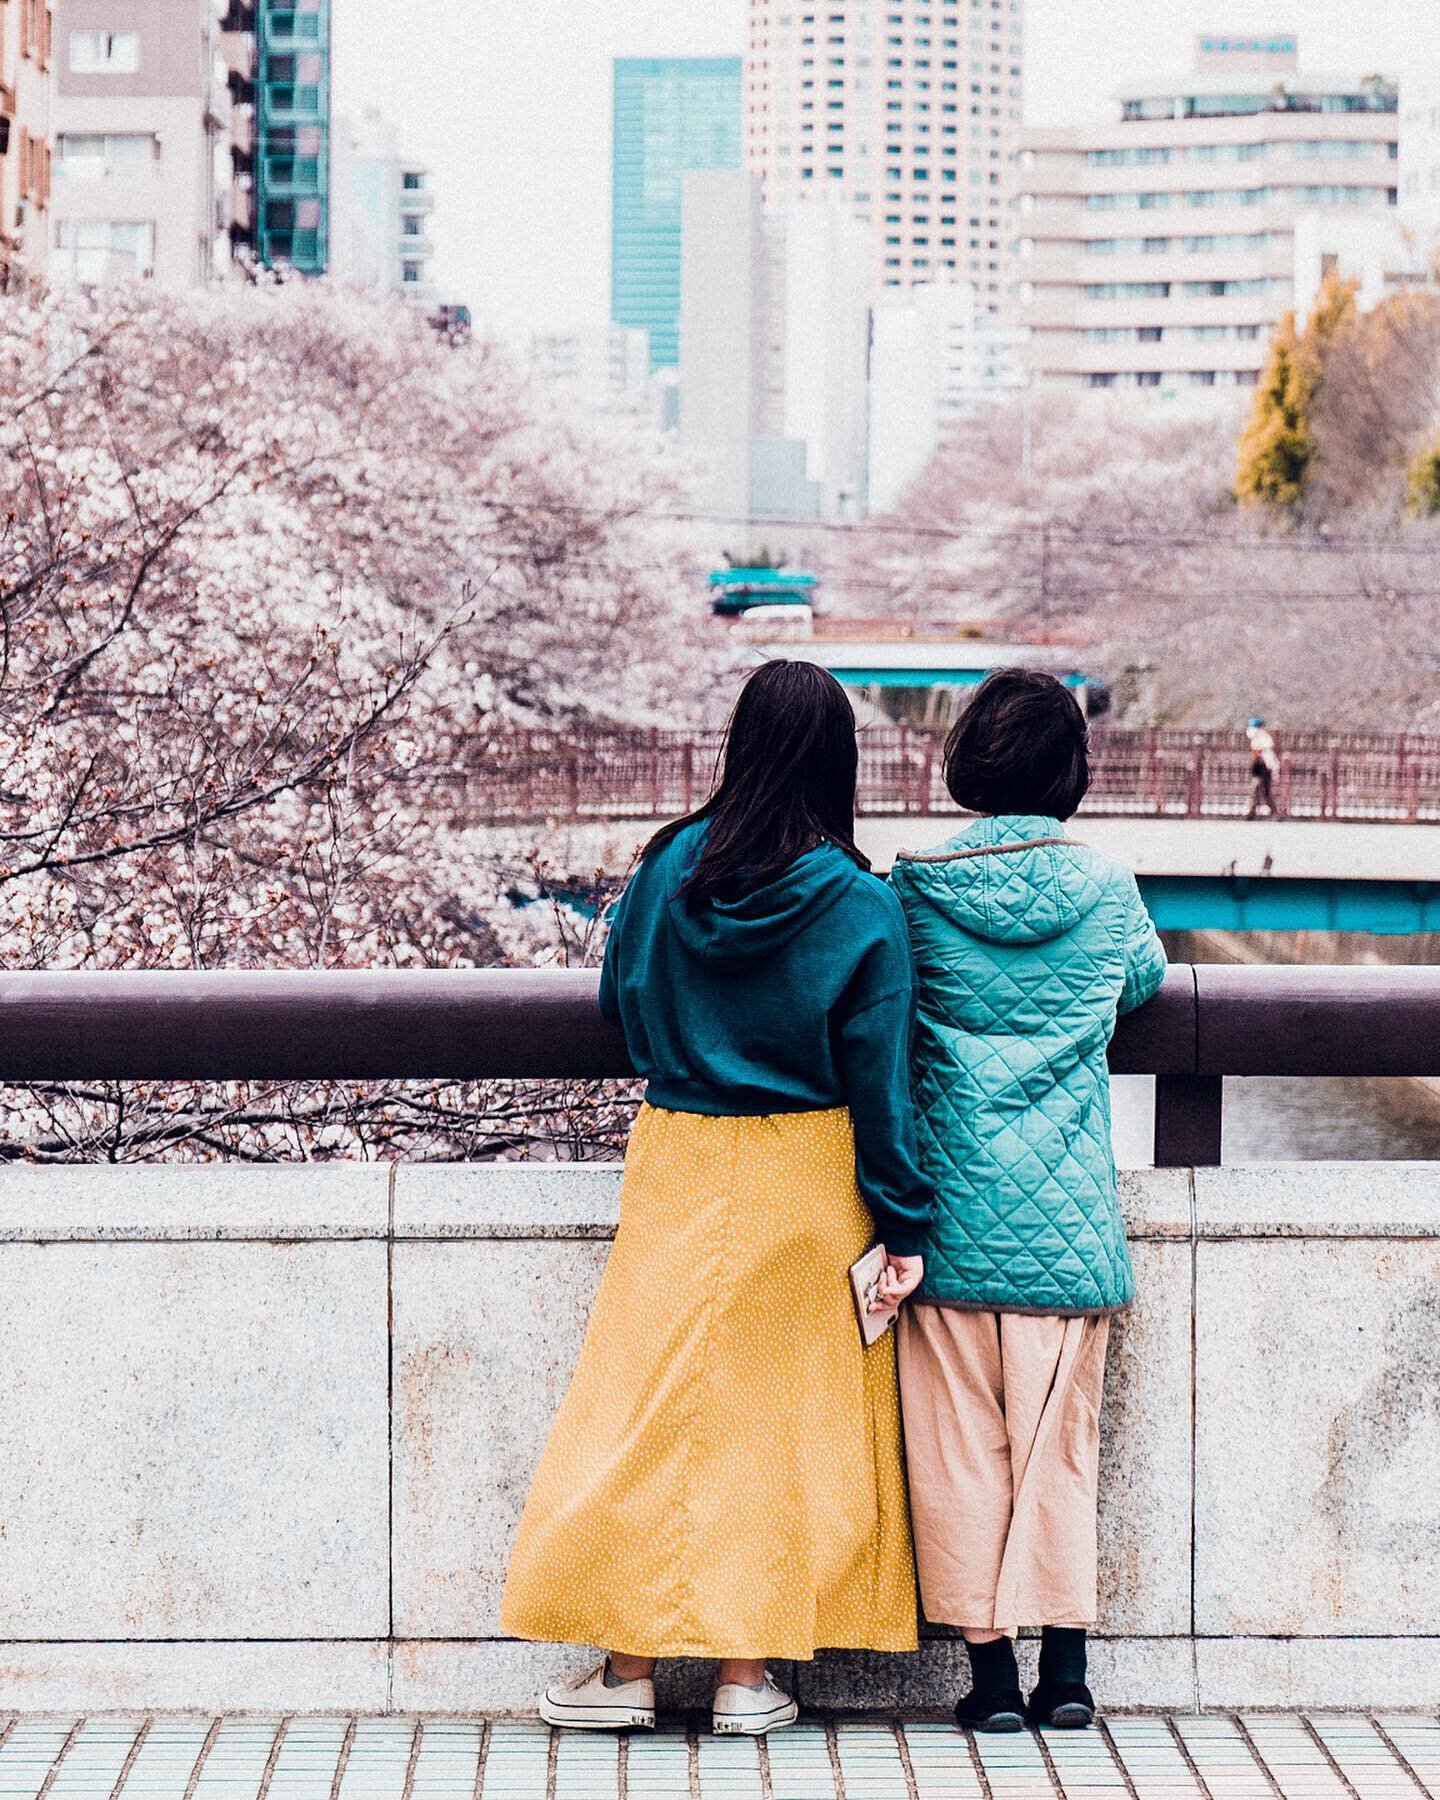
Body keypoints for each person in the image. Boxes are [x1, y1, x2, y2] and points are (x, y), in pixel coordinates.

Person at [501, 659, 933, 1738]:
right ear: (838, 763)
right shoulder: (863, 905)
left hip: (683, 1157)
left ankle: (625, 1669)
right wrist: (905, 1220)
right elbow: (880, 1083)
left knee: (648, 1408)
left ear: (737, 746)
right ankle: (749, 1678)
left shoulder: (666, 870)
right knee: (780, 1428)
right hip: (806, 1172)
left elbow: (619, 1003)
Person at [888, 669, 1167, 1736]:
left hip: (951, 1223)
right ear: (1071, 774)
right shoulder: (1105, 888)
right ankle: (1070, 1678)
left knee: (960, 1459)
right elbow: (1139, 980)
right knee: (1062, 1451)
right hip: (1069, 1232)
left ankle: (992, 1683)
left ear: (966, 763)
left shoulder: (914, 889)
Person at [1245, 717, 1281, 818]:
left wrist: (1274, 771)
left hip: (1262, 767)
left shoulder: (1263, 739)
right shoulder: (1260, 738)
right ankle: (1252, 812)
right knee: (1259, 790)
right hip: (1259, 767)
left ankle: (1272, 813)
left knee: (1259, 790)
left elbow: (1268, 756)